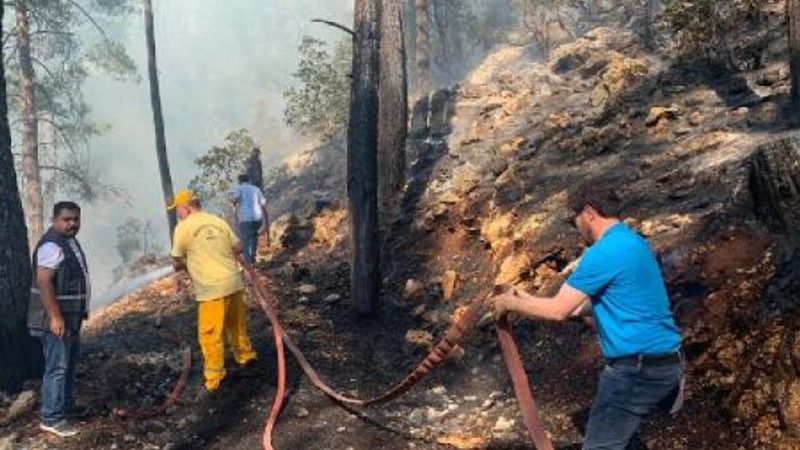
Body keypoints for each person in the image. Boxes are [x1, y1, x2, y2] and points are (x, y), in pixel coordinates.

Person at [489, 186, 683, 450]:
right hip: (666, 363)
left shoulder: (603, 252)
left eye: (574, 220)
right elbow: (592, 305)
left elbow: (559, 310)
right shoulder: (635, 242)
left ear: (589, 213)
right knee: (624, 442)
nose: (575, 228)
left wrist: (508, 303)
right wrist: (524, 299)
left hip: (636, 369)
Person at [167, 189, 258, 394]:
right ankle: (246, 358)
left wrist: (185, 264)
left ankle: (215, 377)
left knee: (210, 334)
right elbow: (238, 247)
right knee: (236, 325)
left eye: (178, 210)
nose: (178, 214)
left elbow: (176, 259)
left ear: (187, 207)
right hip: (234, 283)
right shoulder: (217, 221)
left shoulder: (183, 227)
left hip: (211, 289)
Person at [28, 201, 91, 438]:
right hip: (53, 321)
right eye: (66, 219)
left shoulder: (68, 241)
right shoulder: (52, 245)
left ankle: (64, 408)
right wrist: (55, 317)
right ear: (55, 220)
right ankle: (51, 418)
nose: (72, 223)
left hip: (68, 319)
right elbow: (44, 281)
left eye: (76, 219)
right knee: (57, 368)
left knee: (68, 366)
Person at [230, 174, 269, 264]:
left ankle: (249, 263)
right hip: (257, 218)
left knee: (246, 240)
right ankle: (253, 257)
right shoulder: (256, 189)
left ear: (239, 181)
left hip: (246, 219)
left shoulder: (239, 188)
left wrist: (233, 202)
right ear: (249, 180)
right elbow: (263, 202)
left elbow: (234, 198)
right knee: (253, 236)